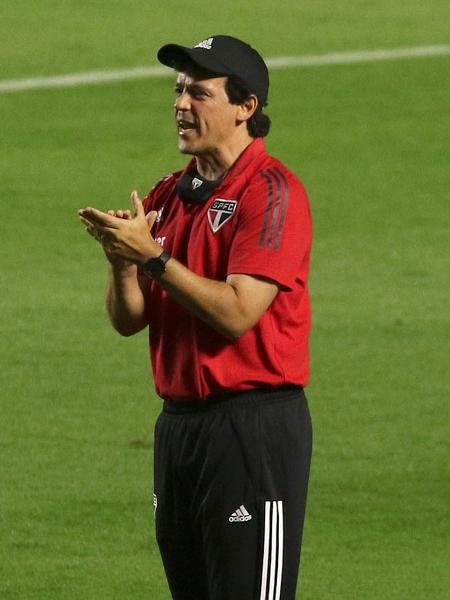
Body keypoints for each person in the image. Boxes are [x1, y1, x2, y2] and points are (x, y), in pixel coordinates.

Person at [79, 34, 313, 600]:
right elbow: (130, 320)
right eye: (178, 90)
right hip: (180, 429)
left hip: (251, 429)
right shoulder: (167, 194)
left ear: (245, 106)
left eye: (199, 93)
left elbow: (238, 314)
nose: (181, 103)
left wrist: (154, 258)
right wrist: (122, 264)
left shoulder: (272, 192)